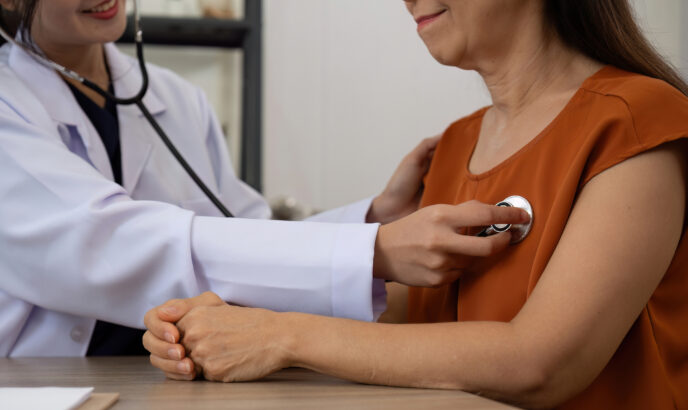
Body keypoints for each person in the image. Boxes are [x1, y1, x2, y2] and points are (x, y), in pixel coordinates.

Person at [143, 0, 688, 408]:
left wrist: (280, 336)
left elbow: (542, 363)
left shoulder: (636, 120)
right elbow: (399, 320)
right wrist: (226, 326)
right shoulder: (454, 145)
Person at [0, 0, 527, 357]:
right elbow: (101, 242)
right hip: (15, 374)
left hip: (161, 374)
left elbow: (245, 237)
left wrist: (373, 216)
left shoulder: (176, 99)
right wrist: (372, 253)